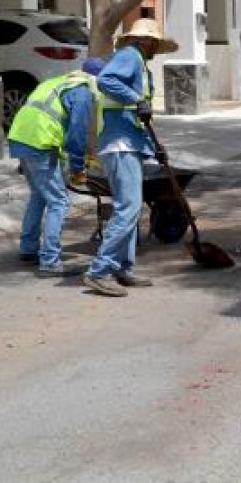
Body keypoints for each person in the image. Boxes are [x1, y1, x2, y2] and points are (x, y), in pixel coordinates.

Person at [83, 19, 178, 297]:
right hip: (119, 145)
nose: (156, 49)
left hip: (127, 142)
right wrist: (137, 100)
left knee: (131, 209)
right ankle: (99, 271)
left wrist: (153, 147)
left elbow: (134, 117)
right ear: (146, 41)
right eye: (155, 43)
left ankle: (124, 268)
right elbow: (107, 80)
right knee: (128, 208)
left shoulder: (137, 62)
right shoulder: (130, 56)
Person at [7, 57, 105, 276]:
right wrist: (78, 167)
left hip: (20, 139)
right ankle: (50, 261)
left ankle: (28, 248)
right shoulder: (82, 92)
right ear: (97, 80)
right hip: (41, 143)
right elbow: (77, 134)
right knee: (59, 201)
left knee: (39, 195)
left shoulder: (57, 82)